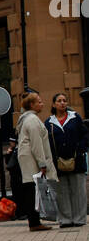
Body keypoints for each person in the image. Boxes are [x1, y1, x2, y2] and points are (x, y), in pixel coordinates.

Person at [16, 89, 58, 232]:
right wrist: (42, 163)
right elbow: (36, 144)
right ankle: (34, 222)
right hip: (32, 160)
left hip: (27, 159)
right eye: (39, 102)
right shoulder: (33, 120)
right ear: (32, 104)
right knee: (32, 191)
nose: (42, 104)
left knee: (30, 189)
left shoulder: (25, 119)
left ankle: (34, 221)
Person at [45, 91, 88, 228]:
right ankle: (65, 219)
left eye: (64, 100)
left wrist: (81, 149)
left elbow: (85, 135)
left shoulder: (75, 118)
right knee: (62, 192)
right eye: (59, 101)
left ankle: (79, 219)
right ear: (54, 104)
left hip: (77, 161)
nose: (62, 103)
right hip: (58, 163)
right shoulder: (49, 123)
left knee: (78, 191)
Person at [4, 133, 24, 217]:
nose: (10, 143)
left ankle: (22, 212)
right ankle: (19, 212)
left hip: (18, 176)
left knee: (20, 195)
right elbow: (8, 163)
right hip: (14, 176)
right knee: (16, 195)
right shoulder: (12, 151)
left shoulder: (18, 150)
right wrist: (8, 154)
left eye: (11, 142)